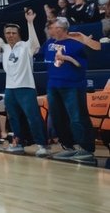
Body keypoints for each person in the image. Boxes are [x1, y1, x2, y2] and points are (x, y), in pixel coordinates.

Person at [0, 10, 49, 156]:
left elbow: (34, 42)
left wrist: (30, 23)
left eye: (13, 32)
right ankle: (18, 142)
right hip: (10, 89)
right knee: (13, 118)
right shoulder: (5, 48)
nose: (10, 35)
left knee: (33, 118)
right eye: (8, 33)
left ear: (18, 34)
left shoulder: (25, 47)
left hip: (26, 88)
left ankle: (42, 145)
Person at [42, 16, 101, 163]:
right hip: (53, 85)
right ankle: (69, 147)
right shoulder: (49, 43)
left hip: (72, 86)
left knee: (77, 117)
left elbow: (82, 64)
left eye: (53, 27)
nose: (50, 30)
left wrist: (67, 58)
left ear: (61, 29)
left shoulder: (76, 44)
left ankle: (85, 148)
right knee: (58, 118)